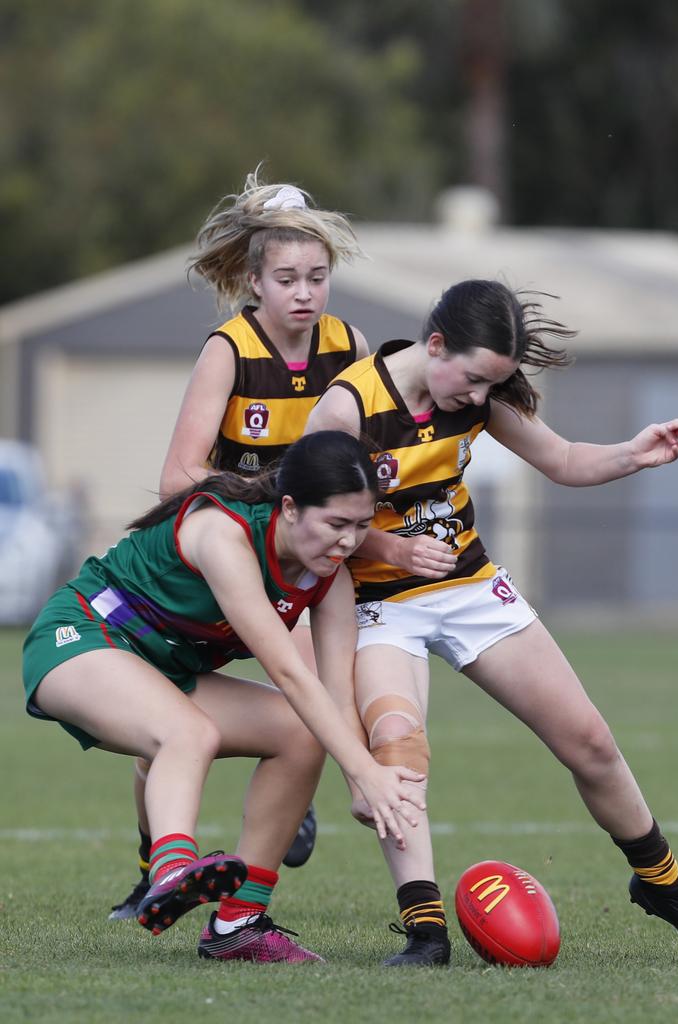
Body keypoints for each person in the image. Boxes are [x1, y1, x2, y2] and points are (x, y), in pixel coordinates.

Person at [304, 279, 678, 967]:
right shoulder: (348, 406)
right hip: (376, 603)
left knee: (590, 740)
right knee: (398, 748)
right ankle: (425, 930)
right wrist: (389, 547)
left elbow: (562, 459)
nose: (479, 398)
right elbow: (309, 516)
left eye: (493, 385)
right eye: (476, 379)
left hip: (470, 586)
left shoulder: (474, 396)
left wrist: (634, 452)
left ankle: (666, 887)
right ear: (437, 344)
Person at [22, 431, 425, 964]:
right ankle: (170, 873)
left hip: (163, 668)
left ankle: (240, 922)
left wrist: (361, 783)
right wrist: (369, 773)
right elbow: (286, 668)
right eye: (335, 524)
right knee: (191, 732)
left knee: (303, 734)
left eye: (361, 525)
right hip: (82, 637)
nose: (349, 542)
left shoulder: (331, 578)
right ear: (289, 507)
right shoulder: (223, 533)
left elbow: (334, 694)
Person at [111, 167, 369, 918]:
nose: (304, 292)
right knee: (156, 733)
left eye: (317, 276)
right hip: (222, 564)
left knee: (323, 691)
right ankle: (150, 861)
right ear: (253, 281)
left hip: (299, 563)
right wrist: (264, 504)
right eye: (286, 277)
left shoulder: (346, 346)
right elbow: (179, 477)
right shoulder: (230, 349)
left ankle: (294, 793)